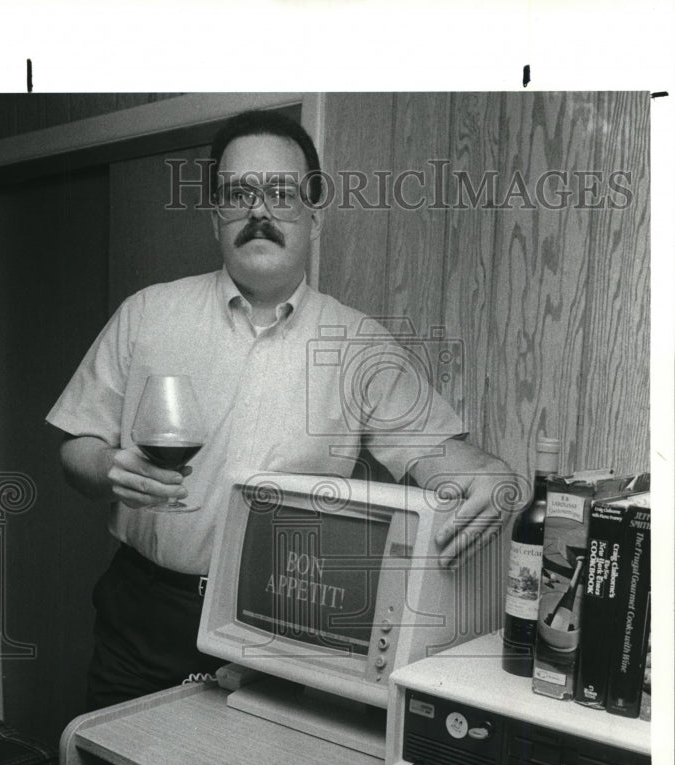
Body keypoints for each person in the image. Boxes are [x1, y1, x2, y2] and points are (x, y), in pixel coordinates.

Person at [47, 109, 512, 709]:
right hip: (142, 617)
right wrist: (107, 465)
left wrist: (489, 476)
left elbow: (443, 459)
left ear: (314, 216)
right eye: (240, 193)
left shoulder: (359, 345)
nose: (259, 211)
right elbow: (75, 447)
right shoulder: (146, 315)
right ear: (217, 214)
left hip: (282, 626)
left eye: (282, 194)